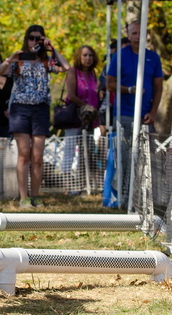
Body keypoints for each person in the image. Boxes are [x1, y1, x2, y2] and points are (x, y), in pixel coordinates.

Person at [0, 24, 69, 208]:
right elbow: (0, 72)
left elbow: (66, 67)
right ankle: (24, 198)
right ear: (26, 39)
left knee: (37, 156)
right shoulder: (19, 60)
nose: (34, 42)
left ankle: (36, 196)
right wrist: (11, 58)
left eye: (39, 38)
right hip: (20, 109)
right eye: (32, 37)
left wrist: (52, 49)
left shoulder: (47, 61)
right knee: (24, 155)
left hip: (40, 109)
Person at [106, 20, 163, 206]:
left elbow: (158, 87)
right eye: (133, 33)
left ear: (146, 34)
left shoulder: (153, 57)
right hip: (124, 113)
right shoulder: (120, 56)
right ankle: (121, 197)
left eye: (140, 33)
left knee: (145, 158)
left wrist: (153, 112)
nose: (137, 37)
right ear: (128, 35)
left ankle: (143, 198)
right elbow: (109, 83)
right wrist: (130, 90)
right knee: (123, 157)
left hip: (145, 115)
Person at [62, 45, 99, 192]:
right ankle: (67, 184)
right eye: (85, 55)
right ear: (79, 56)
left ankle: (83, 183)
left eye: (90, 55)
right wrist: (85, 106)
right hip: (74, 117)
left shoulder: (92, 74)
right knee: (70, 149)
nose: (88, 58)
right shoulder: (73, 72)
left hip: (90, 119)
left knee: (86, 151)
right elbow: (71, 95)